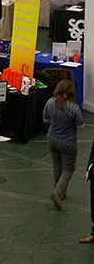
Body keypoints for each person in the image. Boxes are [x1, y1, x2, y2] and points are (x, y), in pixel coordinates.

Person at [44, 79, 85, 209]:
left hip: (52, 139)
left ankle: (60, 191)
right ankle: (57, 192)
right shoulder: (74, 108)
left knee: (57, 166)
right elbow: (80, 126)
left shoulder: (50, 103)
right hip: (68, 143)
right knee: (68, 169)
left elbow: (45, 119)